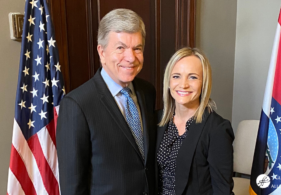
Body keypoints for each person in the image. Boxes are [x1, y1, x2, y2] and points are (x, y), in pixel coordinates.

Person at [56, 9, 156, 195]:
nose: (131, 58)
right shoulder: (77, 105)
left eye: (137, 48)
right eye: (120, 48)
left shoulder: (147, 92)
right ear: (101, 52)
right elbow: (72, 187)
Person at [156, 47, 234, 195]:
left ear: (204, 83)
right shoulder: (156, 121)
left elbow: (222, 190)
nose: (183, 84)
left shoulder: (217, 129)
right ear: (168, 81)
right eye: (176, 76)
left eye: (193, 77)